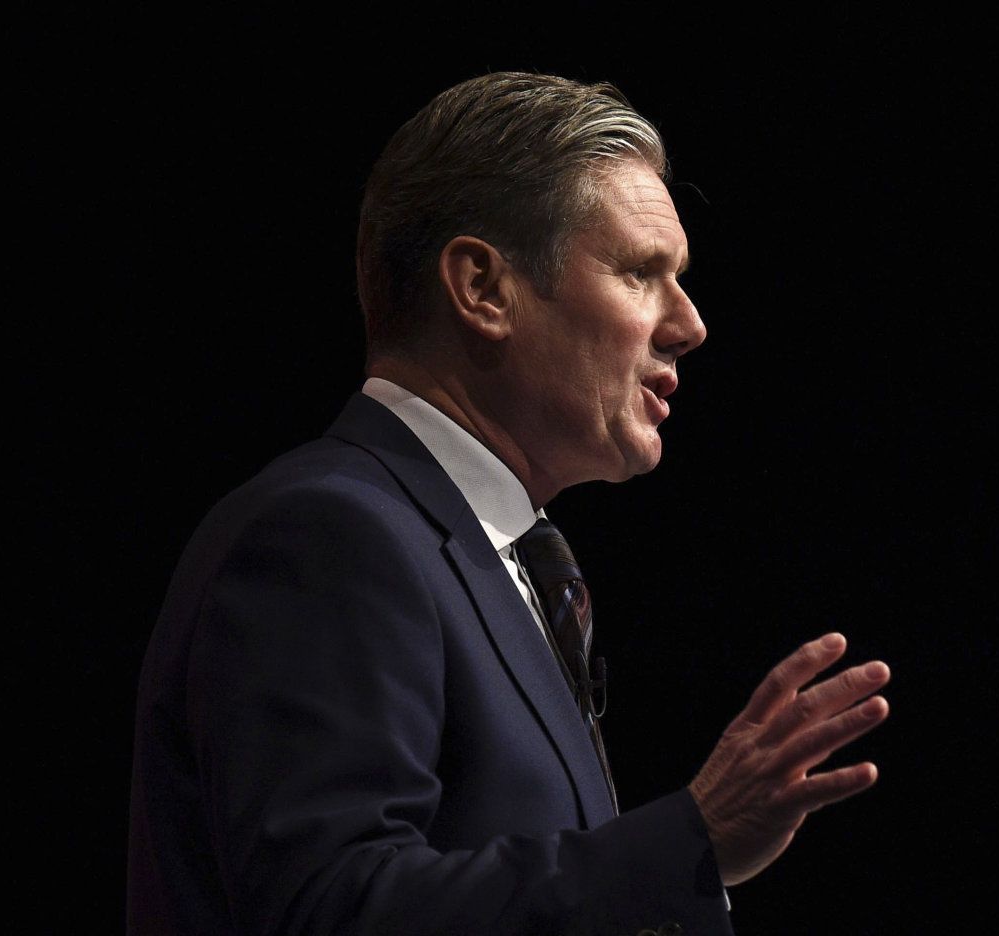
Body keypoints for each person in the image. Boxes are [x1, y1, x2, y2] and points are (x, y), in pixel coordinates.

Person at [127, 72, 891, 936]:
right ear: (483, 289)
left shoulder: (496, 558)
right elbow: (333, 909)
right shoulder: (330, 535)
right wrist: (688, 843)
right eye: (640, 273)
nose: (688, 324)